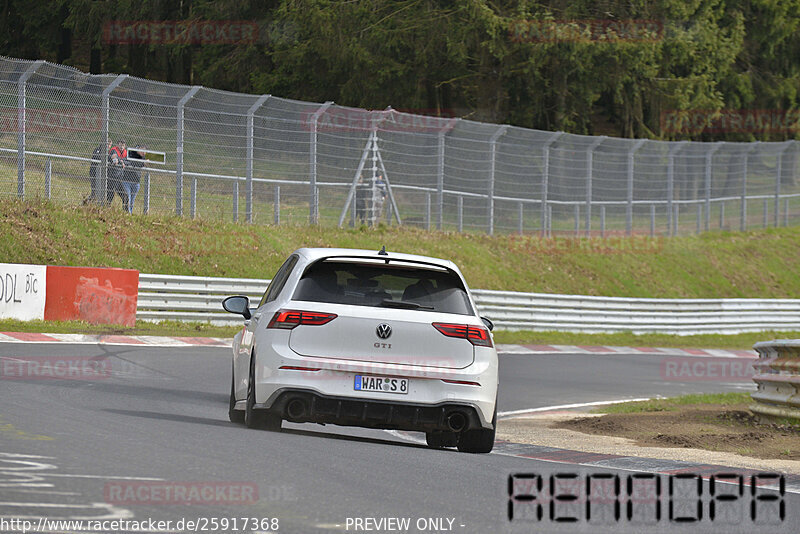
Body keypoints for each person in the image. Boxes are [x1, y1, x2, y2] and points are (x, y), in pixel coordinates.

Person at [86, 140, 112, 204]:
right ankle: (86, 202)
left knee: (101, 191)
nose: (108, 146)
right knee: (94, 190)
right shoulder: (98, 149)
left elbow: (109, 160)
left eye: (109, 145)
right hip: (94, 172)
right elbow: (96, 157)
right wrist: (108, 157)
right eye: (107, 144)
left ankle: (97, 203)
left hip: (102, 174)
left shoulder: (108, 153)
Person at [122, 145, 146, 214]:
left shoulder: (142, 158)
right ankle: (127, 213)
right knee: (128, 197)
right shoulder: (130, 154)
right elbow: (129, 162)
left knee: (132, 200)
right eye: (142, 151)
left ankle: (130, 212)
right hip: (127, 181)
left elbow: (142, 163)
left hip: (136, 182)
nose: (143, 153)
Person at [108, 140, 128, 208]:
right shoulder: (114, 150)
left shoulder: (125, 152)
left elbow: (128, 161)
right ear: (117, 145)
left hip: (120, 177)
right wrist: (121, 161)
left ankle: (125, 211)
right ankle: (107, 208)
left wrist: (122, 161)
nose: (121, 147)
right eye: (120, 145)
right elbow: (114, 157)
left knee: (125, 195)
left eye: (123, 145)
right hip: (112, 176)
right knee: (110, 194)